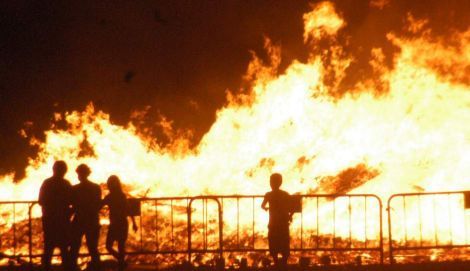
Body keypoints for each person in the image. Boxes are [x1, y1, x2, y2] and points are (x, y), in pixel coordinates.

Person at [38, 160, 73, 271]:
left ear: (54, 169)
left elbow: (41, 200)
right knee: (64, 248)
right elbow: (72, 201)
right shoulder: (66, 184)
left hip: (49, 220)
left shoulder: (47, 183)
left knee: (49, 247)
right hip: (63, 220)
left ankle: (46, 268)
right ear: (65, 171)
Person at [70, 164, 102, 271]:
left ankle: (72, 267)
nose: (78, 176)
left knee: (74, 246)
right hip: (92, 220)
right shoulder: (96, 188)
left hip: (79, 220)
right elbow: (98, 205)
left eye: (78, 173)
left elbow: (72, 205)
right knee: (93, 247)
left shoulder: (75, 189)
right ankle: (97, 267)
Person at [102, 175, 138, 271]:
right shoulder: (118, 196)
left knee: (113, 245)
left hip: (118, 223)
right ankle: (121, 262)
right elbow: (129, 209)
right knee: (118, 245)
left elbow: (128, 209)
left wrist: (134, 223)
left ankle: (121, 263)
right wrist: (134, 223)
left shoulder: (114, 196)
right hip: (120, 223)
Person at [261, 173, 293, 269]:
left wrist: (266, 209)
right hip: (283, 222)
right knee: (284, 242)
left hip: (273, 222)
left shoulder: (269, 195)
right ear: (281, 182)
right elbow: (293, 207)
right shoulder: (285, 194)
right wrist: (290, 216)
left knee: (274, 242)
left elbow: (262, 206)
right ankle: (283, 262)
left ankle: (276, 263)